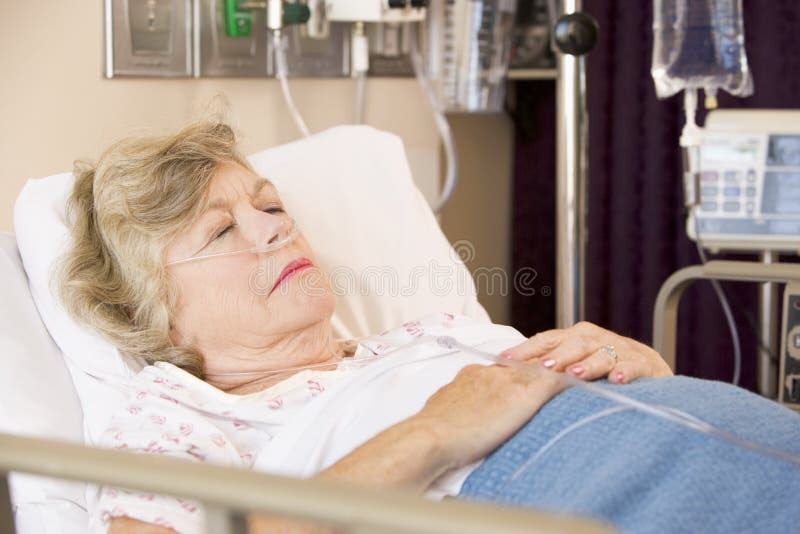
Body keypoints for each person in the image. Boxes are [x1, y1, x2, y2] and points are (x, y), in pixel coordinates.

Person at [58, 120, 800, 534]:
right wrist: (435, 432)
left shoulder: (421, 336)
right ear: (151, 312)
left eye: (272, 206)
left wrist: (639, 369)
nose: (274, 229)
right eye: (222, 231)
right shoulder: (182, 419)